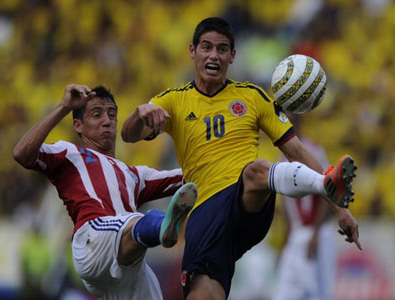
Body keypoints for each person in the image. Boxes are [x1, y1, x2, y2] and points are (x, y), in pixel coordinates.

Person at [121, 17, 362, 300]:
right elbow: (128, 135)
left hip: (246, 203)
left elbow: (296, 150)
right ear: (192, 51)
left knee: (257, 171)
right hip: (204, 215)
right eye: (207, 47)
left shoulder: (253, 97)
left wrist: (339, 209)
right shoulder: (173, 100)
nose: (214, 55)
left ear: (232, 56)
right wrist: (140, 114)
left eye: (222, 49)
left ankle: (324, 183)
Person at [12, 83, 198, 300]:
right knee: (138, 220)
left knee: (152, 286)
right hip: (94, 241)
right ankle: (161, 227)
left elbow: (192, 177)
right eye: (97, 114)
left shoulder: (134, 174)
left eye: (112, 114)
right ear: (78, 125)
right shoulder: (70, 153)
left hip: (128, 267)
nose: (107, 120)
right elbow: (21, 154)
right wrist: (63, 106)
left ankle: (161, 227)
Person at [273, 114, 336, 300]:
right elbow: (287, 203)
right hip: (297, 234)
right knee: (286, 291)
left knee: (319, 292)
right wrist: (287, 235)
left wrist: (315, 232)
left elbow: (328, 191)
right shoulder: (281, 156)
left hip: (315, 233)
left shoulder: (314, 151)